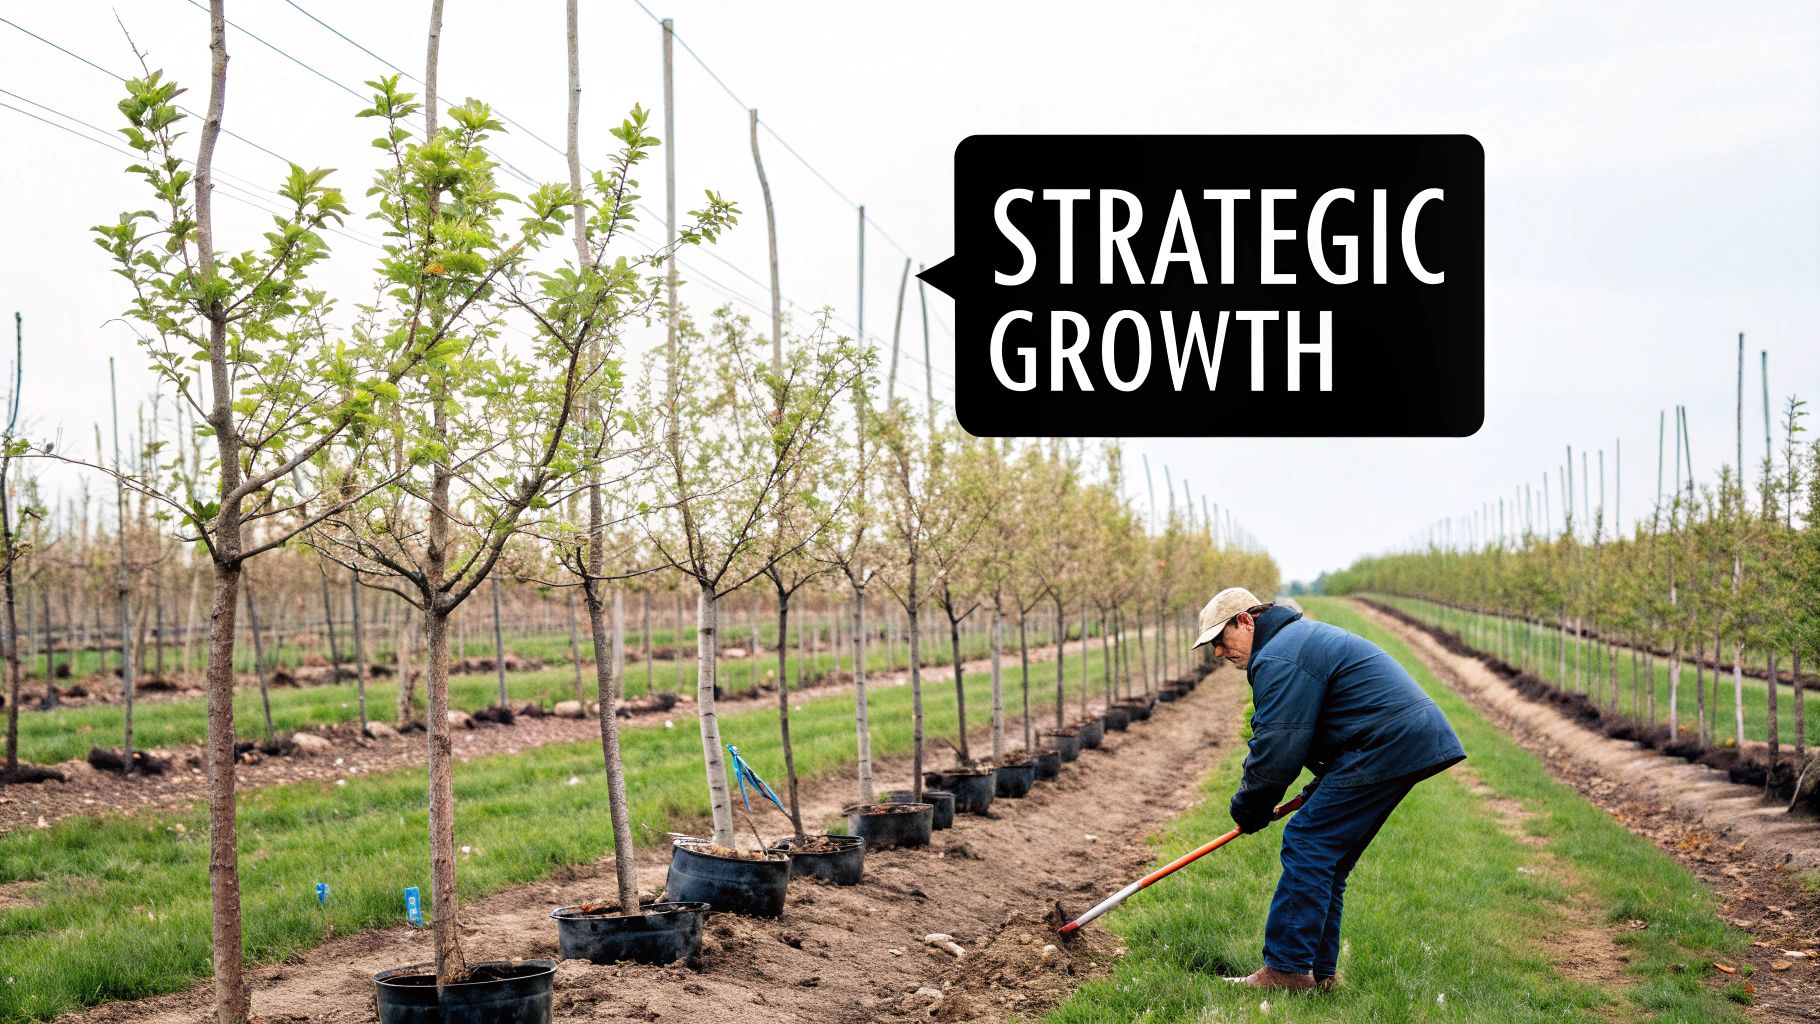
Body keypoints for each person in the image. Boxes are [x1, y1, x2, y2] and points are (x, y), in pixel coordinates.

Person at [1193, 587, 1464, 992]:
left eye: (1220, 640)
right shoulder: (1292, 643)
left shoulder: (1280, 655)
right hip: (1392, 739)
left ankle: (1285, 971)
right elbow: (1322, 725)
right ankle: (1319, 976)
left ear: (1246, 621)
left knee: (1308, 843)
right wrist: (1322, 782)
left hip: (1386, 742)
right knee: (1326, 856)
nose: (1217, 653)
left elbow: (1278, 745)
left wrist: (1249, 807)